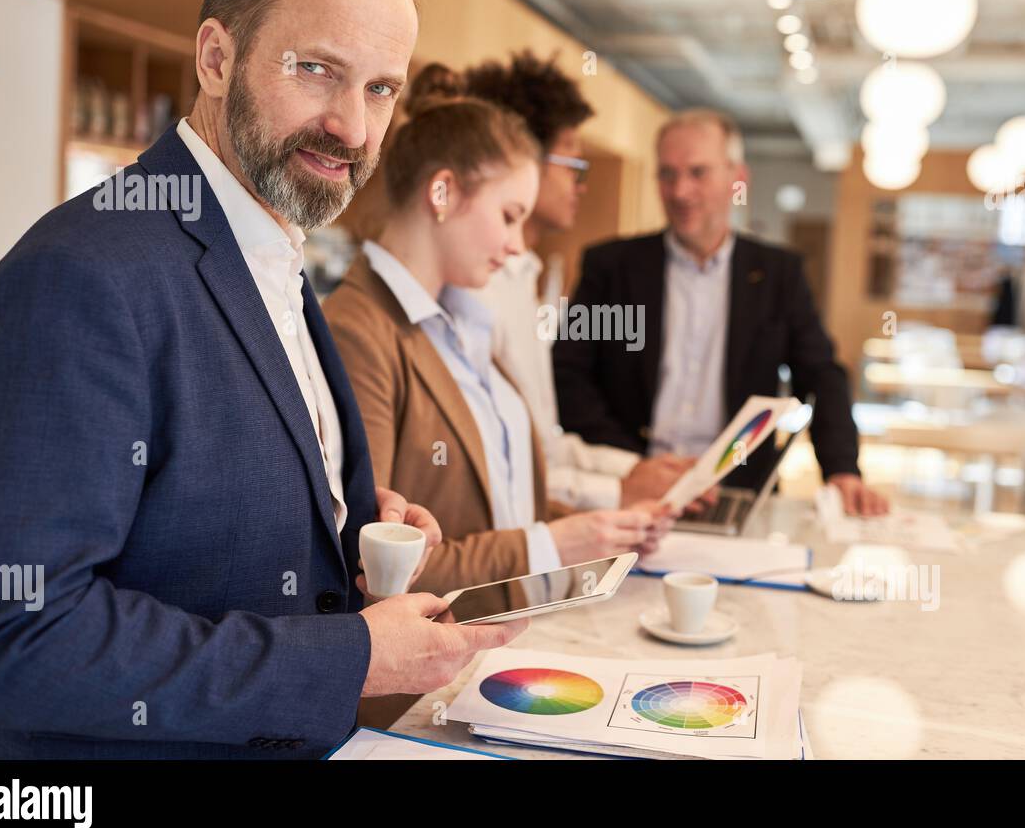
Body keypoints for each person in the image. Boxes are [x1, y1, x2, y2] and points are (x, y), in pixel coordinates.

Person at [0, 0, 524, 760]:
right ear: (217, 57)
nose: (353, 129)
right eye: (316, 70)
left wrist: (335, 515)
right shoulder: (79, 276)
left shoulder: (272, 254)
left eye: (379, 88)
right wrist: (352, 656)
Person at [324, 65, 669, 613]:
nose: (515, 246)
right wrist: (554, 542)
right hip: (430, 674)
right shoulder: (360, 329)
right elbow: (377, 564)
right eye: (508, 217)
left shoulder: (461, 322)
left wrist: (598, 529)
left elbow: (500, 508)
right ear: (442, 192)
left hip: (506, 639)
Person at [554, 109, 889, 516]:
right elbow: (570, 376)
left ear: (738, 179)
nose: (680, 191)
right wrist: (635, 467)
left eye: (698, 173)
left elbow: (820, 374)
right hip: (626, 488)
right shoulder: (612, 269)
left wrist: (842, 469)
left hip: (736, 493)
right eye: (667, 174)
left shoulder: (778, 275)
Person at [464, 50, 694, 511]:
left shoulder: (522, 273)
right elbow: (494, 467)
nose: (582, 185)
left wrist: (636, 471)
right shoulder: (478, 285)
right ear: (524, 159)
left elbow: (543, 446)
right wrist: (620, 489)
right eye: (575, 165)